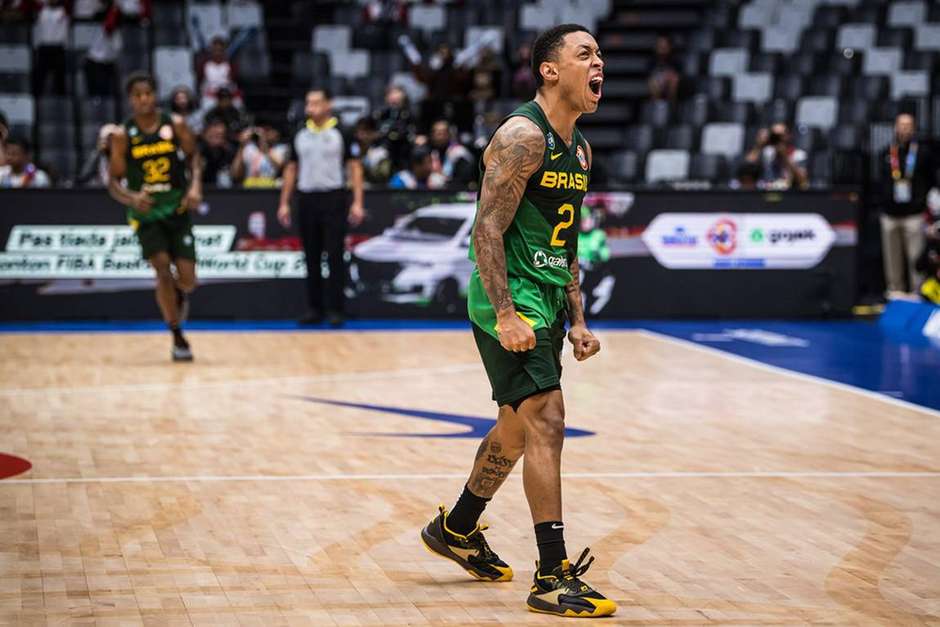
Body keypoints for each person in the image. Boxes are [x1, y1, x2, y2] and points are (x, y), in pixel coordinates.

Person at [420, 24, 616, 618]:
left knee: (514, 427)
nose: (598, 62)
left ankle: (456, 527)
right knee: (548, 418)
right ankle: (552, 574)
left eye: (600, 54)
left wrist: (578, 316)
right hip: (506, 301)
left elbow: (568, 241)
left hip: (548, 300)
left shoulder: (579, 148)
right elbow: (487, 228)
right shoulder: (521, 136)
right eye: (586, 53)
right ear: (550, 70)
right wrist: (504, 313)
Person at [107, 72, 203, 361]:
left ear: (155, 95)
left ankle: (179, 293)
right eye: (137, 95)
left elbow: (195, 158)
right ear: (130, 100)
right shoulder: (123, 135)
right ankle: (177, 335)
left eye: (147, 93)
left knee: (187, 279)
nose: (143, 99)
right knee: (161, 268)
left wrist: (196, 185)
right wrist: (131, 197)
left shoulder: (175, 125)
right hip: (146, 212)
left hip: (176, 207)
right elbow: (113, 183)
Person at [277, 88, 365, 327]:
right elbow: (291, 168)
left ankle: (336, 309)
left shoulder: (342, 132)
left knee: (335, 255)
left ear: (328, 104)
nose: (311, 107)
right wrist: (284, 202)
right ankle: (314, 308)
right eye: (308, 103)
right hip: (306, 198)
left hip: (334, 198)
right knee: (311, 256)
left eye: (316, 102)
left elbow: (355, 167)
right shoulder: (300, 133)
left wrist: (357, 202)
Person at [879, 113, 937, 298]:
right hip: (890, 214)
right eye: (901, 125)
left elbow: (931, 181)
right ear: (896, 127)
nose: (904, 129)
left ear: (913, 128)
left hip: (914, 214)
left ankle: (917, 293)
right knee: (892, 258)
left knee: (915, 258)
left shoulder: (923, 153)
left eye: (908, 125)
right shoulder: (886, 153)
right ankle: (894, 292)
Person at [744, 122, 808, 189]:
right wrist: (759, 146)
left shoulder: (799, 155)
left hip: (789, 193)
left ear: (788, 136)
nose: (778, 139)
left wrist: (785, 157)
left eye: (780, 136)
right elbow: (747, 167)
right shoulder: (767, 153)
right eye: (774, 136)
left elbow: (802, 181)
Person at [231, 122, 287, 188]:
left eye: (268, 130)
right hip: (249, 189)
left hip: (270, 190)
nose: (265, 133)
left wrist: (264, 147)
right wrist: (241, 146)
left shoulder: (281, 149)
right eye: (263, 130)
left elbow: (281, 167)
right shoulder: (249, 148)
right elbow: (235, 174)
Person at [32, 0, 69, 96]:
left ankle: (61, 101)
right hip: (44, 47)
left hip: (58, 48)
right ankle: (37, 102)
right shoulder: (41, 10)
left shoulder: (64, 11)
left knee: (60, 79)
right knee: (40, 78)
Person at [425, 118, 475, 188]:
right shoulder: (429, 152)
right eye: (436, 133)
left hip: (454, 191)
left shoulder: (459, 152)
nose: (439, 137)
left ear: (449, 134)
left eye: (442, 133)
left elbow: (464, 179)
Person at [353, 116, 392, 187]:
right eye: (359, 131)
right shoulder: (352, 149)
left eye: (365, 131)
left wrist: (362, 166)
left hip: (374, 193)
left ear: (374, 133)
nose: (361, 135)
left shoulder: (381, 153)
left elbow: (383, 175)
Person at [76, 122, 118, 187]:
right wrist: (97, 153)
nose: (108, 142)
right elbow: (84, 176)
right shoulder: (98, 156)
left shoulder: (126, 156)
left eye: (112, 139)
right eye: (106, 139)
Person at [199, 119, 235, 186]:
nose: (215, 140)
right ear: (204, 134)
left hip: (224, 192)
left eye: (219, 136)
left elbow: (235, 175)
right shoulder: (198, 151)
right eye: (212, 136)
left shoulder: (230, 152)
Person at [647, 35, 679, 102]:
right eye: (660, 46)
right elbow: (650, 75)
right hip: (657, 84)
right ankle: (656, 106)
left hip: (670, 83)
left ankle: (671, 106)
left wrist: (667, 78)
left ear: (669, 47)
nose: (662, 49)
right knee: (653, 83)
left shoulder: (675, 61)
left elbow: (677, 75)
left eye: (665, 47)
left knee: (674, 80)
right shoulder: (652, 62)